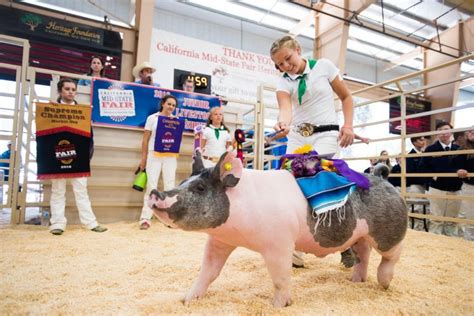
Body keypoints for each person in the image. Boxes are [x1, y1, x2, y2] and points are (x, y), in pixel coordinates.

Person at [270, 35, 355, 268]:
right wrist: (282, 122)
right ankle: (295, 246)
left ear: (298, 50)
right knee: (287, 185)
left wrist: (348, 126)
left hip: (327, 134)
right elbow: (285, 108)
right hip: (297, 136)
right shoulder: (283, 81)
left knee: (313, 174)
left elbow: (346, 97)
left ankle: (347, 244)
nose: (286, 66)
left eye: (288, 59)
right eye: (280, 64)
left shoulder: (325, 67)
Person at [48, 78, 107, 235]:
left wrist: (87, 156)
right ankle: (57, 223)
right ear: (60, 91)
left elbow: (89, 136)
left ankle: (90, 223)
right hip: (58, 154)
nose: (71, 92)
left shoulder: (82, 111)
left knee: (81, 190)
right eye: (67, 89)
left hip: (79, 157)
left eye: (73, 89)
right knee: (58, 190)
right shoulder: (51, 110)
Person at [138, 95, 178, 230]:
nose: (171, 107)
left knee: (169, 186)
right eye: (169, 104)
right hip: (153, 155)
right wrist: (143, 158)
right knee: (151, 186)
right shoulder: (152, 118)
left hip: (170, 156)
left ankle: (168, 218)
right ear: (163, 104)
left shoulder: (176, 121)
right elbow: (145, 139)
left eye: (173, 105)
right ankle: (145, 217)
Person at [419, 121, 462, 237]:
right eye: (441, 130)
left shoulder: (459, 149)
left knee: (452, 220)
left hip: (456, 189)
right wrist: (434, 176)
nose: (444, 133)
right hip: (437, 188)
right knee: (436, 219)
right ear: (437, 134)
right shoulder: (431, 149)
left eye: (447, 129)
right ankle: (435, 247)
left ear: (451, 131)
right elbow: (422, 168)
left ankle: (450, 246)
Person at [455, 130, 474, 241]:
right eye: (470, 131)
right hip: (470, 186)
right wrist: (458, 170)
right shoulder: (462, 150)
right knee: (470, 219)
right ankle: (470, 245)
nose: (472, 133)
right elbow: (455, 164)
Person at [406, 136, 427, 230]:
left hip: (426, 186)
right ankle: (415, 229)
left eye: (424, 139)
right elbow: (410, 172)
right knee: (416, 208)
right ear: (414, 142)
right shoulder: (410, 155)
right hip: (416, 185)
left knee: (425, 209)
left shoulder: (425, 153)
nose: (423, 142)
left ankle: (422, 229)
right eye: (421, 140)